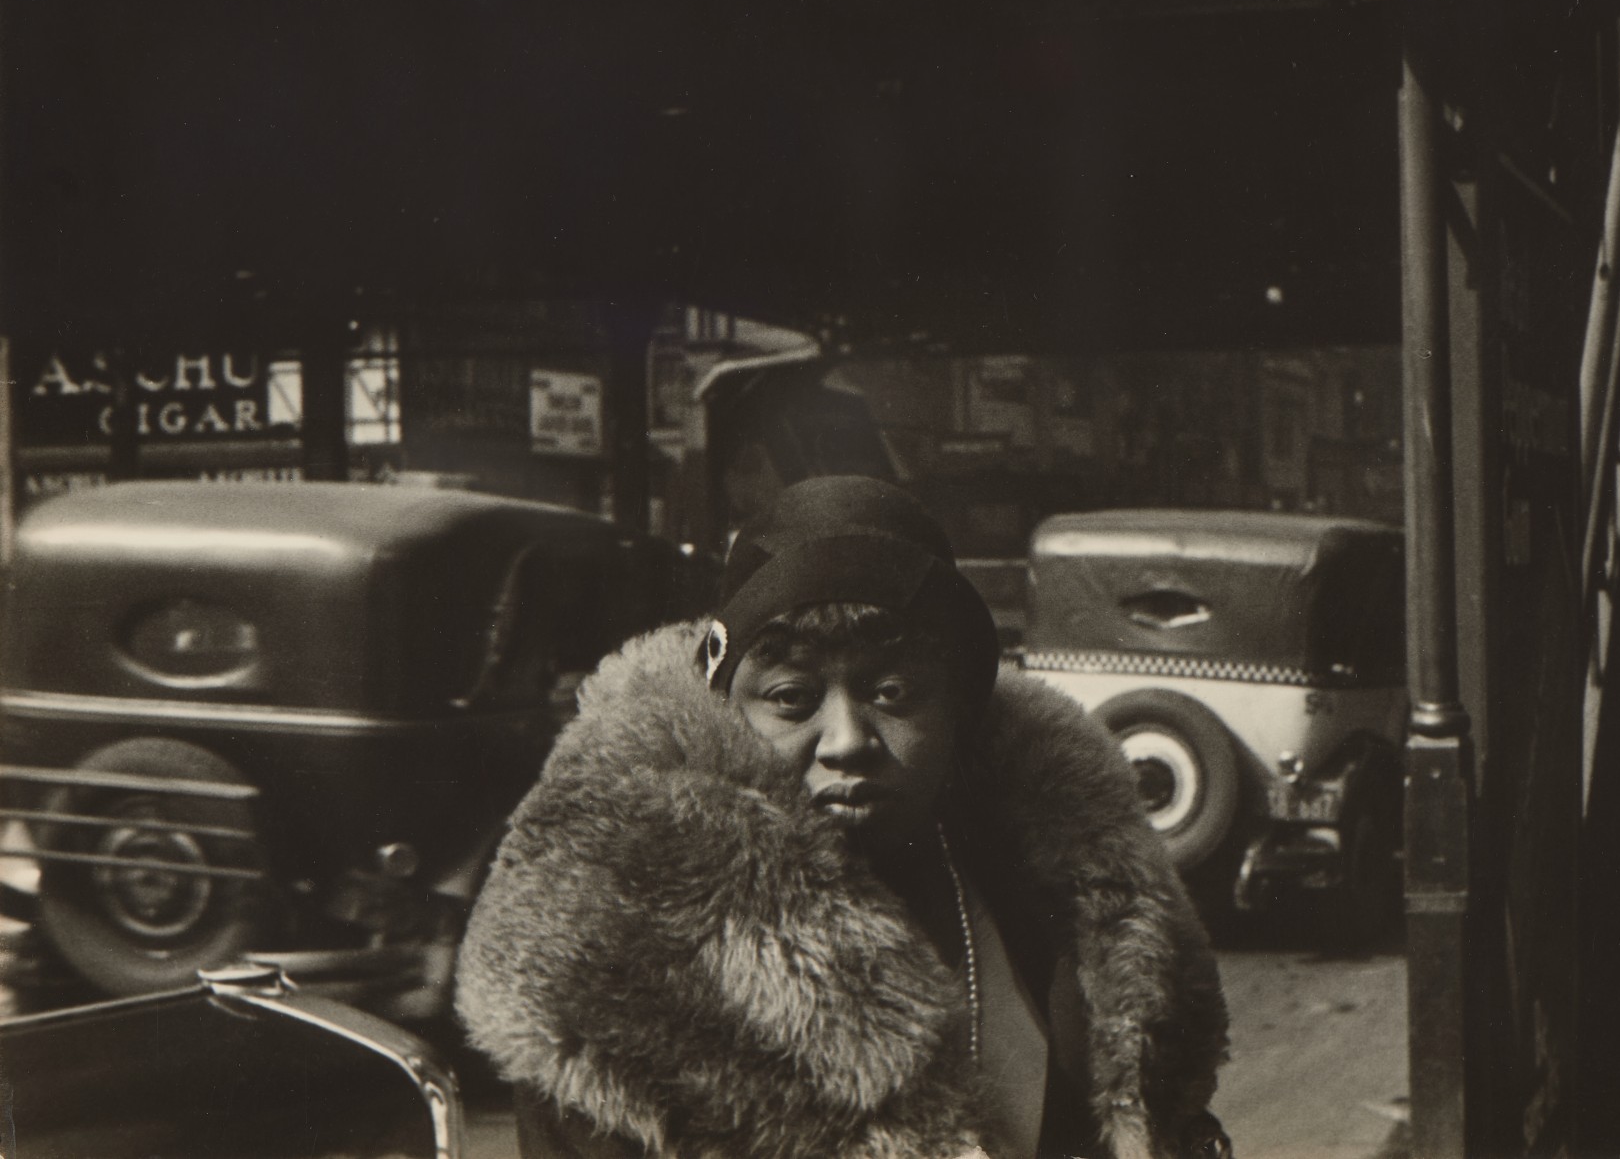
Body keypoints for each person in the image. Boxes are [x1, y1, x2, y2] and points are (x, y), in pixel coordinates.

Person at [456, 475, 1232, 1159]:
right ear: (723, 712)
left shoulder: (1063, 900)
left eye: (893, 693)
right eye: (792, 698)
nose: (848, 740)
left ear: (960, 708)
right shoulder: (607, 947)